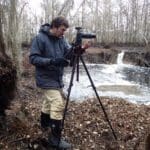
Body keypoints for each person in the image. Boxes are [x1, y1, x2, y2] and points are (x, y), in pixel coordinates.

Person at [30, 16, 90, 149]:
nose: (64, 33)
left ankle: (44, 124)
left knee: (48, 102)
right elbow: (33, 59)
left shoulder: (61, 39)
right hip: (45, 78)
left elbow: (69, 53)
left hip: (57, 78)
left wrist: (79, 50)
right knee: (57, 103)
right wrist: (52, 61)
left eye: (65, 30)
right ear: (54, 27)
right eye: (62, 30)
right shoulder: (40, 38)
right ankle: (54, 140)